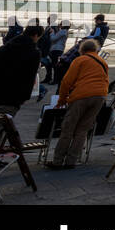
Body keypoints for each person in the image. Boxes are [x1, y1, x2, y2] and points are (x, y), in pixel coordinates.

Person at [46, 39, 108, 169]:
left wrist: (62, 100)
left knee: (68, 128)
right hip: (100, 96)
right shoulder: (103, 62)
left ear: (82, 50)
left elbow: (66, 82)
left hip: (82, 95)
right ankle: (71, 161)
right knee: (82, 130)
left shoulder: (80, 60)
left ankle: (58, 161)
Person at [0, 23, 43, 126]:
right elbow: (29, 77)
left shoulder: (4, 48)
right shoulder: (33, 53)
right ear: (36, 35)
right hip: (12, 99)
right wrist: (24, 97)